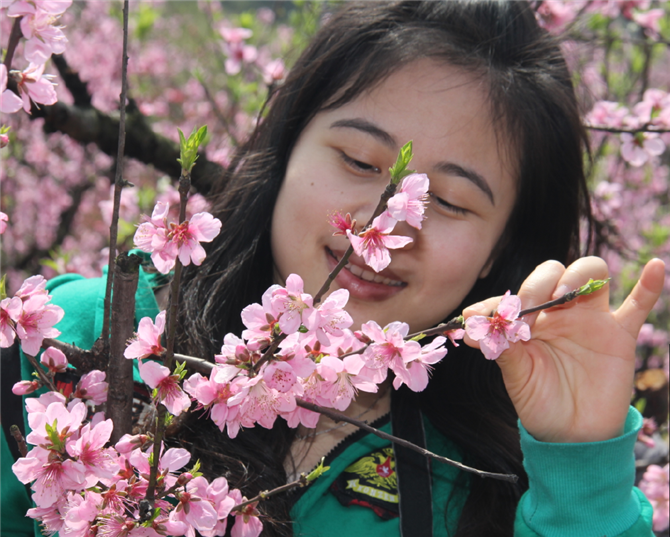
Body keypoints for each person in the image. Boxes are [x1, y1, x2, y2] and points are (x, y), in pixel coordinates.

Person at [3, 0, 665, 536]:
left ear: (499, 248)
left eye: (455, 201)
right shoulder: (87, 340)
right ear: (286, 150)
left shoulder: (489, 477)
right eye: (356, 160)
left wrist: (580, 469)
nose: (388, 223)